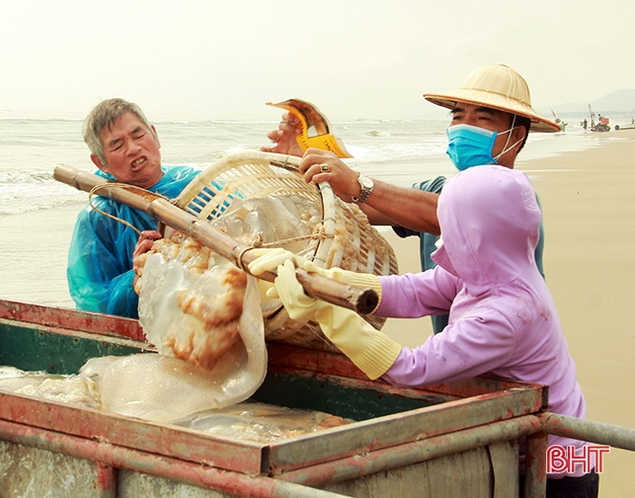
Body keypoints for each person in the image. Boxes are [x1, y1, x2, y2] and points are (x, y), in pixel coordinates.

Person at [248, 165, 598, 496]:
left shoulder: (506, 314)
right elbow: (414, 292)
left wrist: (328, 312)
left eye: (451, 227)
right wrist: (323, 279)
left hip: (557, 464)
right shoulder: (494, 269)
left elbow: (412, 369)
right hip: (535, 445)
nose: (441, 241)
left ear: (475, 236)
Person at [263, 64, 560, 333]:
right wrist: (300, 167)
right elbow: (359, 206)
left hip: (509, 339)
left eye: (482, 118)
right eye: (458, 116)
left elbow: (448, 215)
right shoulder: (435, 189)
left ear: (516, 136)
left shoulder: (516, 198)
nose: (464, 126)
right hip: (456, 345)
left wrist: (356, 182)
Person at [66, 98, 199, 318]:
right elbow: (93, 304)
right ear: (100, 163)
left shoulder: (197, 185)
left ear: (155, 136)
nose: (133, 148)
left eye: (138, 135)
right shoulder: (97, 218)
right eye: (117, 145)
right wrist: (138, 277)